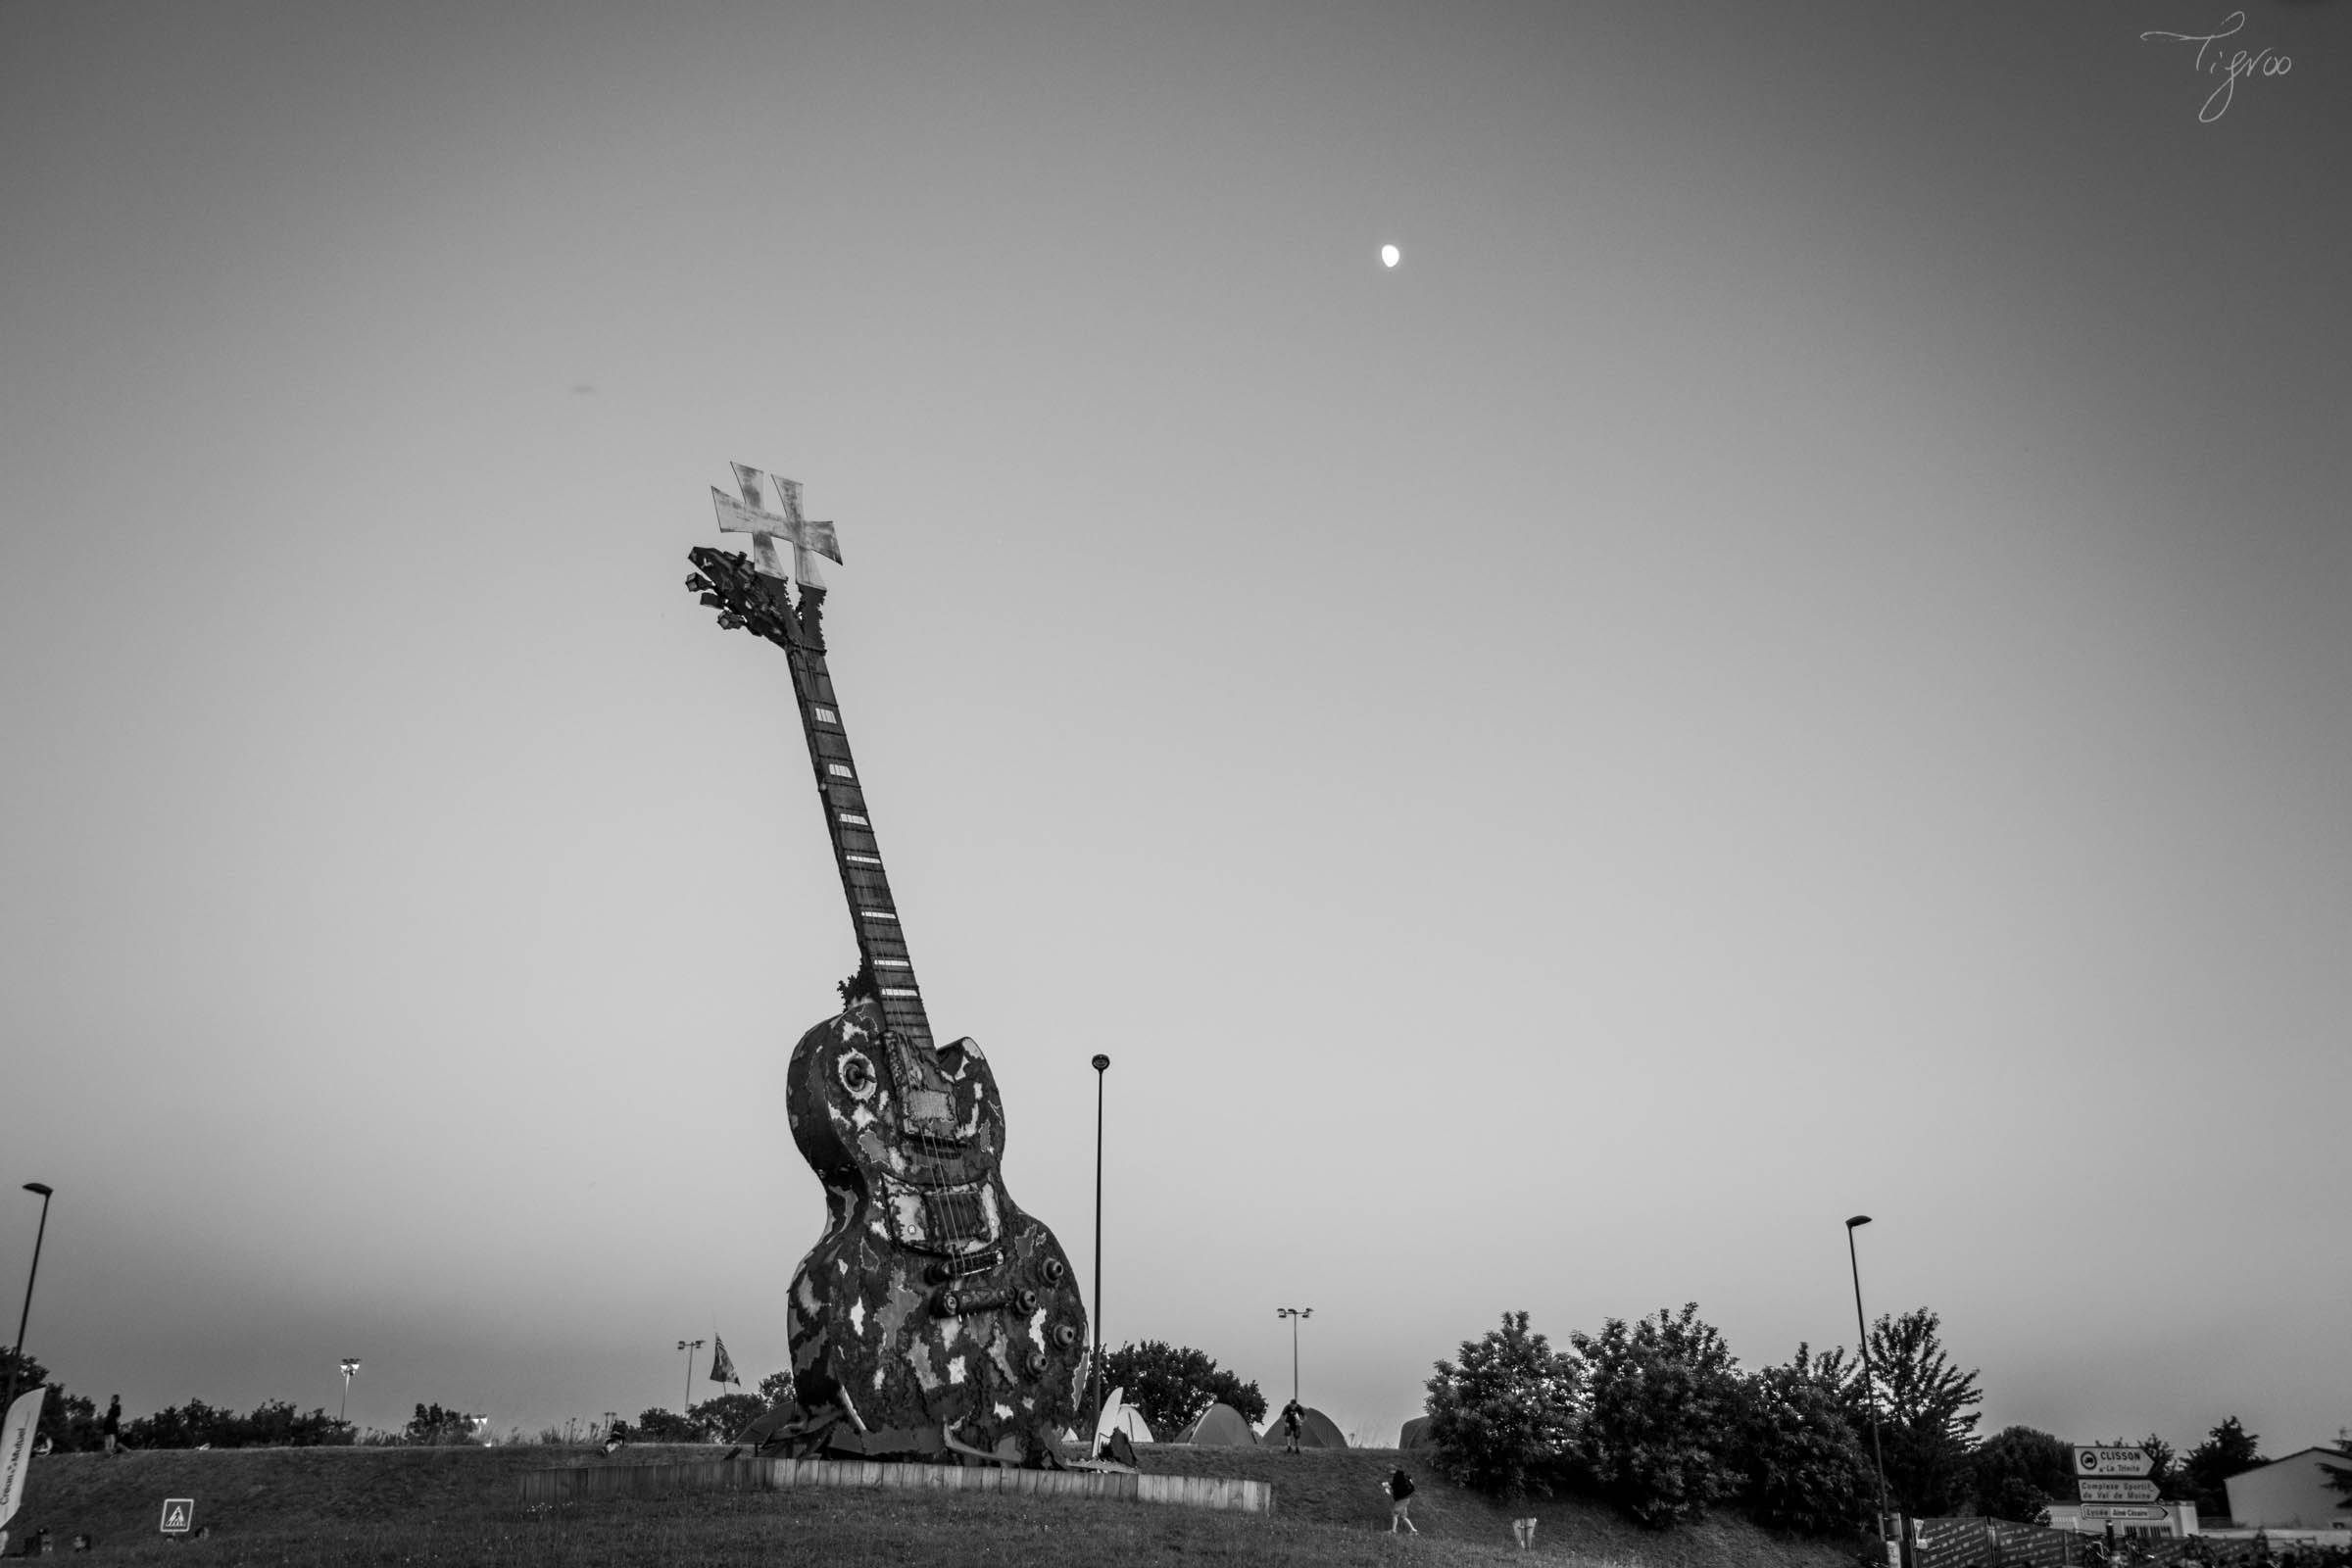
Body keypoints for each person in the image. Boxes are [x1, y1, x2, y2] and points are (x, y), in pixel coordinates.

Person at [1385, 1467, 1419, 1535]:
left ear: (1392, 1470)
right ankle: (1414, 1530)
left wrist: (1388, 1486)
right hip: (1405, 1499)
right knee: (1404, 1517)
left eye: (1389, 1471)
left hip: (1402, 1500)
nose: (1389, 1473)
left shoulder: (1399, 1477)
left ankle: (1393, 1531)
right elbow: (1397, 1487)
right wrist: (1389, 1486)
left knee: (1395, 1514)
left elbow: (1397, 1487)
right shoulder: (1402, 1477)